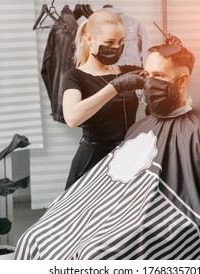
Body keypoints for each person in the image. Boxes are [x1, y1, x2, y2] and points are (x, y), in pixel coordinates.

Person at [14, 36, 200, 260]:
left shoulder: (199, 133)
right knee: (35, 238)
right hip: (116, 214)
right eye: (147, 74)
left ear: (183, 80)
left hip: (157, 221)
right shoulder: (142, 126)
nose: (150, 82)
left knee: (93, 254)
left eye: (160, 76)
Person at [60, 9, 145, 190]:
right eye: (109, 42)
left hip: (125, 159)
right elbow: (72, 118)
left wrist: (171, 55)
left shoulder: (127, 71)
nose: (116, 47)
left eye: (121, 42)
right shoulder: (75, 77)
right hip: (93, 161)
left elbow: (160, 78)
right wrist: (115, 87)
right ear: (90, 40)